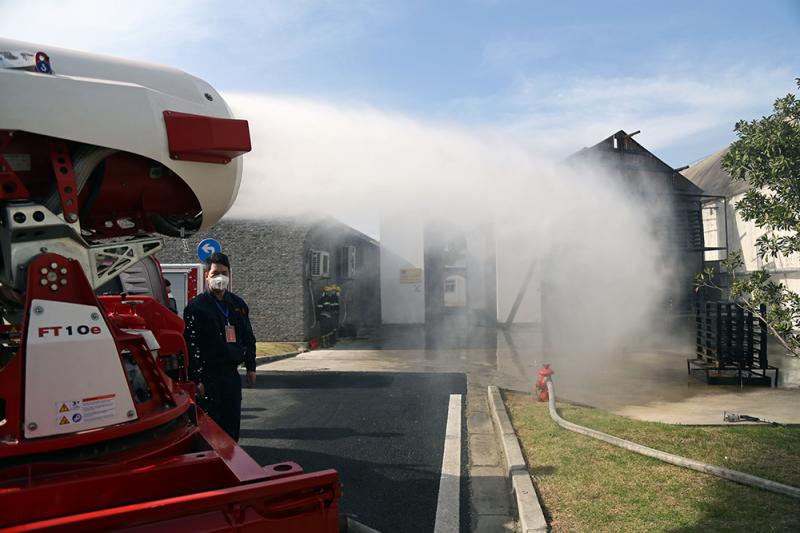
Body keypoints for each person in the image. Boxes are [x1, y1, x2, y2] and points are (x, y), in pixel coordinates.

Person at [183, 252, 256, 441]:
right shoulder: (196, 307)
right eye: (215, 273)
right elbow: (191, 345)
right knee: (212, 426)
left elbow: (248, 336)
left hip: (231, 374)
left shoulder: (238, 305)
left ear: (230, 275)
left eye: (224, 273)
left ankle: (233, 459)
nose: (219, 278)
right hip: (209, 376)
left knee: (232, 422)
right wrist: (196, 379)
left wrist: (251, 367)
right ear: (207, 275)